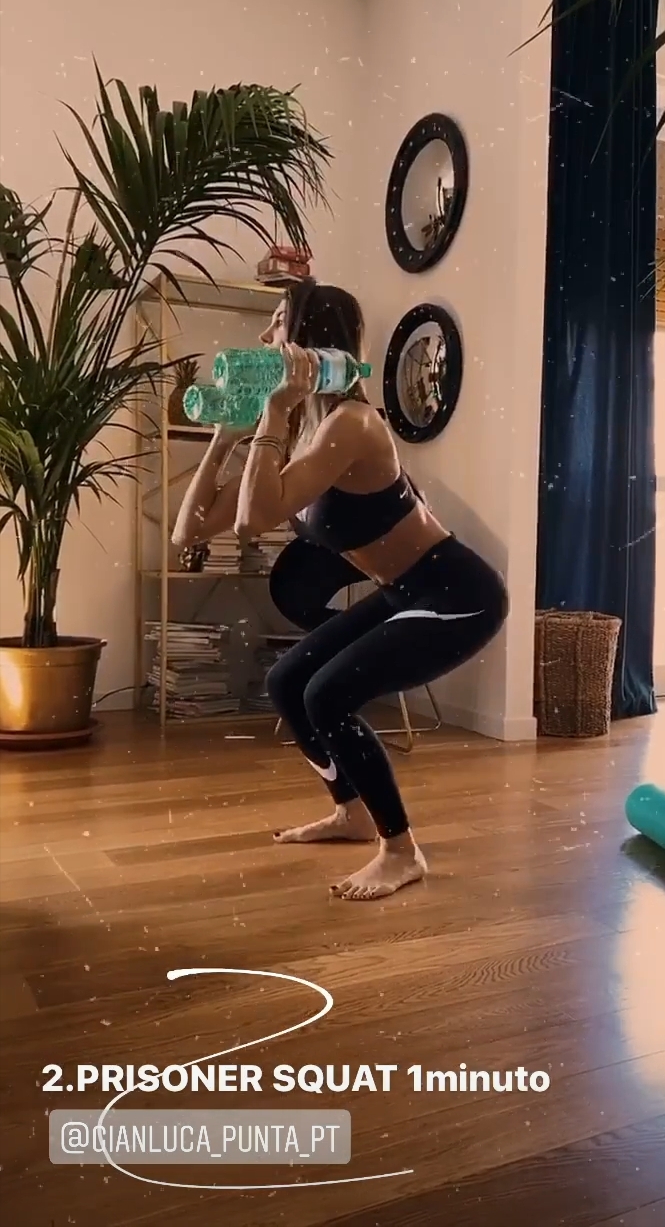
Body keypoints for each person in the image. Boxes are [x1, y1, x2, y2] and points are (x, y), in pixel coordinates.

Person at [173, 279, 508, 901]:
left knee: (327, 696)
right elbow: (188, 529)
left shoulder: (353, 424)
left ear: (306, 339)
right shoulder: (307, 429)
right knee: (287, 682)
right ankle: (351, 813)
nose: (264, 336)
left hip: (456, 594)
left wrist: (271, 415)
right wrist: (225, 435)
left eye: (277, 322)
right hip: (404, 590)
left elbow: (250, 522)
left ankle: (400, 851)